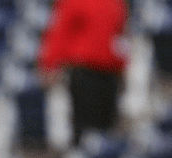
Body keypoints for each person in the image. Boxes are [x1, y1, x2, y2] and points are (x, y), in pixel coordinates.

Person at [37, 0, 127, 145]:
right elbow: (60, 31)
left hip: (110, 72)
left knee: (105, 130)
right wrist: (49, 63)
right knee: (85, 130)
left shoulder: (115, 3)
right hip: (84, 71)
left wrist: (123, 66)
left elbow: (119, 35)